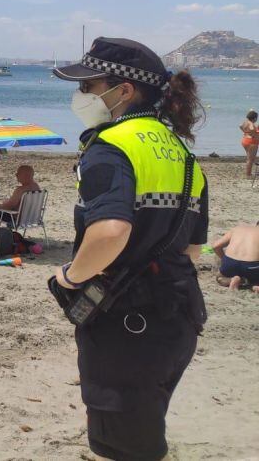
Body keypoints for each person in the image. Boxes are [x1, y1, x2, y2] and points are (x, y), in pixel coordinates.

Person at [51, 37, 208, 461]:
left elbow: (111, 231)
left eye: (89, 85)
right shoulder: (182, 154)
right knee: (144, 433)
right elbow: (192, 248)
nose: (82, 95)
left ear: (123, 91)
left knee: (120, 447)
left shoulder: (111, 146)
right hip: (178, 317)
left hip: (126, 326)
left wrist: (70, 277)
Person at [0, 165, 40, 237]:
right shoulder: (36, 187)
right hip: (32, 219)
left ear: (26, 175)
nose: (16, 175)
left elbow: (7, 207)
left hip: (16, 219)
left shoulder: (21, 190)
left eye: (18, 173)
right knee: (1, 203)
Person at [210, 222, 259, 292]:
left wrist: (223, 259)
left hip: (230, 262)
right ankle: (254, 285)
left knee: (220, 278)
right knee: (254, 278)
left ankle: (231, 280)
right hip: (252, 266)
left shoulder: (237, 228)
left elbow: (216, 246)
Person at [239, 110, 258, 178]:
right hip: (251, 142)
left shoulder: (245, 122)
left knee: (249, 158)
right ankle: (248, 174)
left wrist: (245, 132)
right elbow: (252, 128)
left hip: (245, 140)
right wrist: (253, 133)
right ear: (254, 118)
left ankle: (248, 173)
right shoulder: (251, 124)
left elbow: (240, 126)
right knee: (251, 159)